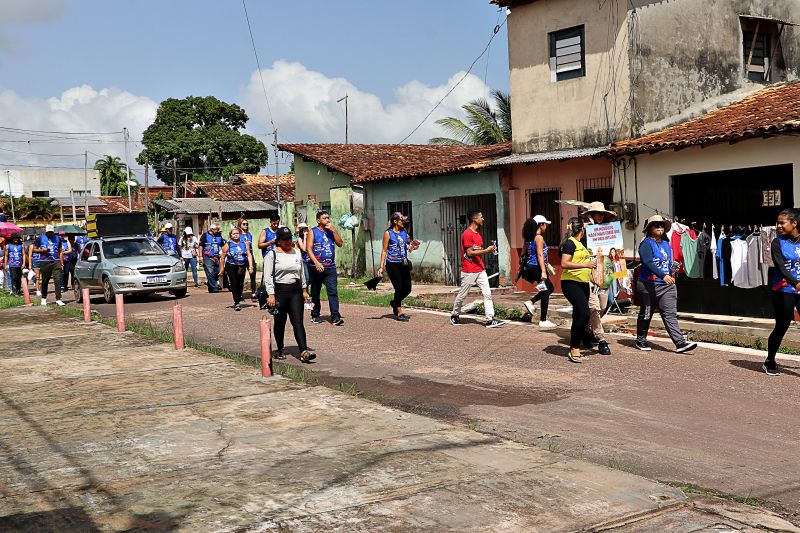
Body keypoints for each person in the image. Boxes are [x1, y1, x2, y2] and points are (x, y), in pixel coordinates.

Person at [636, 215, 697, 354]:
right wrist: (663, 275)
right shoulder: (646, 243)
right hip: (648, 285)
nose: (659, 228)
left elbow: (668, 262)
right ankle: (641, 340)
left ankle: (680, 343)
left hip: (667, 286)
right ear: (650, 228)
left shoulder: (665, 243)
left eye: (661, 225)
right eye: (656, 225)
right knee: (646, 314)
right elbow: (648, 262)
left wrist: (673, 270)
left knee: (670, 314)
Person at [265, 226, 316, 363]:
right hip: (279, 291)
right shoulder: (272, 255)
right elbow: (268, 276)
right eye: (285, 240)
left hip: (295, 292)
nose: (288, 242)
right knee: (280, 322)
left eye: (289, 239)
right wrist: (271, 294)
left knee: (298, 321)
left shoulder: (297, 253)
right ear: (279, 241)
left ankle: (303, 351)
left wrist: (304, 290)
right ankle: (280, 349)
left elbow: (301, 273)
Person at [450, 209, 505, 328]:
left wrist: (490, 250)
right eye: (481, 217)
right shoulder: (467, 234)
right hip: (469, 270)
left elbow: (478, 251)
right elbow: (469, 253)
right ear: (474, 219)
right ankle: (455, 314)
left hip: (480, 269)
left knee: (487, 293)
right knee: (462, 295)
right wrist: (487, 250)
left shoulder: (478, 234)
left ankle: (490, 319)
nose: (483, 219)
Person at [764, 208, 800, 376]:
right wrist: (796, 283)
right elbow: (780, 266)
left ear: (794, 224)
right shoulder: (777, 243)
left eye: (782, 223)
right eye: (777, 222)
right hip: (783, 289)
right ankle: (770, 360)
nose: (778, 226)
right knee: (782, 325)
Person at [581, 201, 616, 356]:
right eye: (597, 213)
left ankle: (587, 330)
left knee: (605, 303)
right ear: (591, 215)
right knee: (594, 306)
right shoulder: (583, 232)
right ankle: (601, 339)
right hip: (589, 274)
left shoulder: (609, 231)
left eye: (602, 213)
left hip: (605, 272)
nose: (600, 216)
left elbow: (616, 252)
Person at [560, 217, 597, 363]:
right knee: (584, 313)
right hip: (570, 283)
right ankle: (574, 347)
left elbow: (583, 261)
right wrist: (586, 265)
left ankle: (574, 346)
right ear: (582, 229)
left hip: (583, 283)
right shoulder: (570, 243)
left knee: (578, 315)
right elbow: (564, 263)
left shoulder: (581, 244)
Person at [377, 212, 419, 321]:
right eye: (401, 220)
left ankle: (395, 302)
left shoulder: (404, 232)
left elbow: (407, 246)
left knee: (407, 288)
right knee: (399, 287)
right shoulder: (388, 233)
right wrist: (381, 267)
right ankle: (399, 312)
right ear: (395, 221)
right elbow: (384, 250)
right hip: (392, 264)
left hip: (403, 263)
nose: (403, 222)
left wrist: (413, 246)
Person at [307, 210, 345, 326]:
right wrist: (317, 263)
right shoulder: (313, 231)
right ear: (318, 220)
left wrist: (334, 231)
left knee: (333, 292)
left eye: (328, 218)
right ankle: (315, 315)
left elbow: (340, 243)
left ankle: (335, 316)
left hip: (330, 267)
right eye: (324, 218)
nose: (327, 220)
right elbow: (309, 249)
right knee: (315, 293)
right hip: (315, 268)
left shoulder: (331, 231)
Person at [521, 215, 558, 328]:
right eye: (545, 224)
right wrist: (543, 270)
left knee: (549, 288)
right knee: (546, 290)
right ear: (541, 225)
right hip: (537, 267)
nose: (546, 226)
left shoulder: (529, 238)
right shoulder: (539, 238)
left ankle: (531, 302)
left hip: (531, 266)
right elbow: (540, 254)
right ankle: (543, 319)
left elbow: (523, 253)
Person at [219, 227, 253, 311]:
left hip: (241, 266)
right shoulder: (228, 244)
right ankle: (237, 302)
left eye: (237, 233)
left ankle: (238, 296)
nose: (235, 235)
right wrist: (222, 269)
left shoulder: (244, 243)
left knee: (240, 284)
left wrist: (251, 266)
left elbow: (249, 254)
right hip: (231, 266)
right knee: (234, 283)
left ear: (240, 234)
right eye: (233, 234)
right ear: (230, 235)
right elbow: (222, 258)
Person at [34, 224, 65, 306]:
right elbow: (34, 249)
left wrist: (62, 263)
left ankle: (58, 299)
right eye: (48, 232)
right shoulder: (40, 238)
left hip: (56, 261)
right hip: (45, 261)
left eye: (51, 232)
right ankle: (43, 298)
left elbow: (60, 251)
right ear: (46, 231)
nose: (50, 234)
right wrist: (41, 250)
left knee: (58, 280)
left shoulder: (58, 238)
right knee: (45, 281)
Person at [199, 223, 225, 292]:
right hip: (208, 257)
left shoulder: (219, 236)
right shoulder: (205, 235)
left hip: (217, 257)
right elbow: (200, 246)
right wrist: (200, 256)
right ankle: (214, 288)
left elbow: (223, 245)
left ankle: (210, 285)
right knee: (210, 272)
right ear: (212, 229)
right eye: (217, 229)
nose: (218, 231)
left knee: (218, 271)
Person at [237, 217, 258, 302]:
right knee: (241, 276)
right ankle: (240, 294)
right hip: (242, 256)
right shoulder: (238, 234)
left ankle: (253, 293)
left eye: (247, 224)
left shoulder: (249, 234)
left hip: (250, 256)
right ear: (240, 225)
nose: (245, 225)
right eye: (244, 224)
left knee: (252, 274)